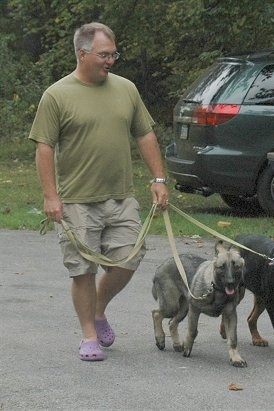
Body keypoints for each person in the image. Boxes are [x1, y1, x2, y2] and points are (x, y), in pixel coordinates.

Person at [29, 22, 169, 361]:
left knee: (128, 260)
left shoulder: (126, 89)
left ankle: (98, 309)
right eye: (105, 55)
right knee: (83, 269)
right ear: (82, 53)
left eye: (113, 54)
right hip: (77, 200)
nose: (111, 61)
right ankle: (89, 336)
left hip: (121, 195)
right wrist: (51, 196)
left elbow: (145, 135)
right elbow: (44, 148)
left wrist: (159, 179)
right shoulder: (57, 95)